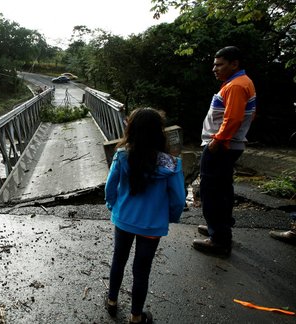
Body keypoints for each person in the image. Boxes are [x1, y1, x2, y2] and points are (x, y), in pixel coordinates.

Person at [104, 108, 186, 324]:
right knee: (141, 270)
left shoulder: (122, 155)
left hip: (123, 220)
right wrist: (169, 217)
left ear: (131, 129)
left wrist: (113, 206)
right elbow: (178, 199)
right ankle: (136, 317)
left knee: (118, 260)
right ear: (159, 133)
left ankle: (112, 303)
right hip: (152, 226)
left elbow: (110, 187)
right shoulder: (171, 163)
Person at [193, 46, 257, 256]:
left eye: (219, 64)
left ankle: (219, 238)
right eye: (214, 64)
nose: (214, 68)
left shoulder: (237, 86)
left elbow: (234, 118)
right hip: (229, 145)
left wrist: (218, 140)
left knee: (211, 191)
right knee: (222, 188)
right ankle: (220, 227)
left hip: (221, 146)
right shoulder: (237, 83)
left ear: (234, 64)